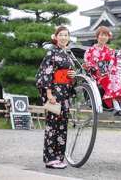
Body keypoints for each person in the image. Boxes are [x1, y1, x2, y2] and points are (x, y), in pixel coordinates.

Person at [36, 26, 76, 169]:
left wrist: (72, 76)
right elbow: (45, 74)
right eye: (61, 35)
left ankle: (59, 157)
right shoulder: (51, 52)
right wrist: (48, 94)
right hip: (54, 92)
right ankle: (50, 158)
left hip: (65, 93)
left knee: (62, 126)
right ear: (56, 37)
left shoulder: (69, 54)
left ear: (68, 38)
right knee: (52, 125)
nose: (64, 37)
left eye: (66, 35)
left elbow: (71, 75)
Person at [84, 26, 121, 110]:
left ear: (108, 38)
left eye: (106, 35)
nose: (103, 37)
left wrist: (111, 71)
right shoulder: (90, 50)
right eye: (102, 35)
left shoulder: (111, 51)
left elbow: (114, 64)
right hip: (97, 74)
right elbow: (88, 63)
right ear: (97, 36)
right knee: (109, 78)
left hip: (109, 73)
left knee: (118, 78)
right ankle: (114, 101)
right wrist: (97, 68)